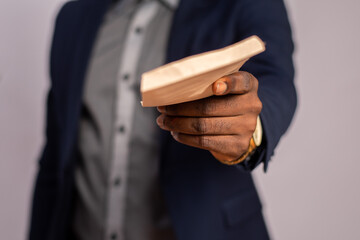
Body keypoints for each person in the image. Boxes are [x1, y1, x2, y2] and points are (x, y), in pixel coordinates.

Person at [29, 0, 297, 239]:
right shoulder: (72, 17)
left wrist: (250, 128)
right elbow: (56, 153)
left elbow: (275, 81)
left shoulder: (245, 4)